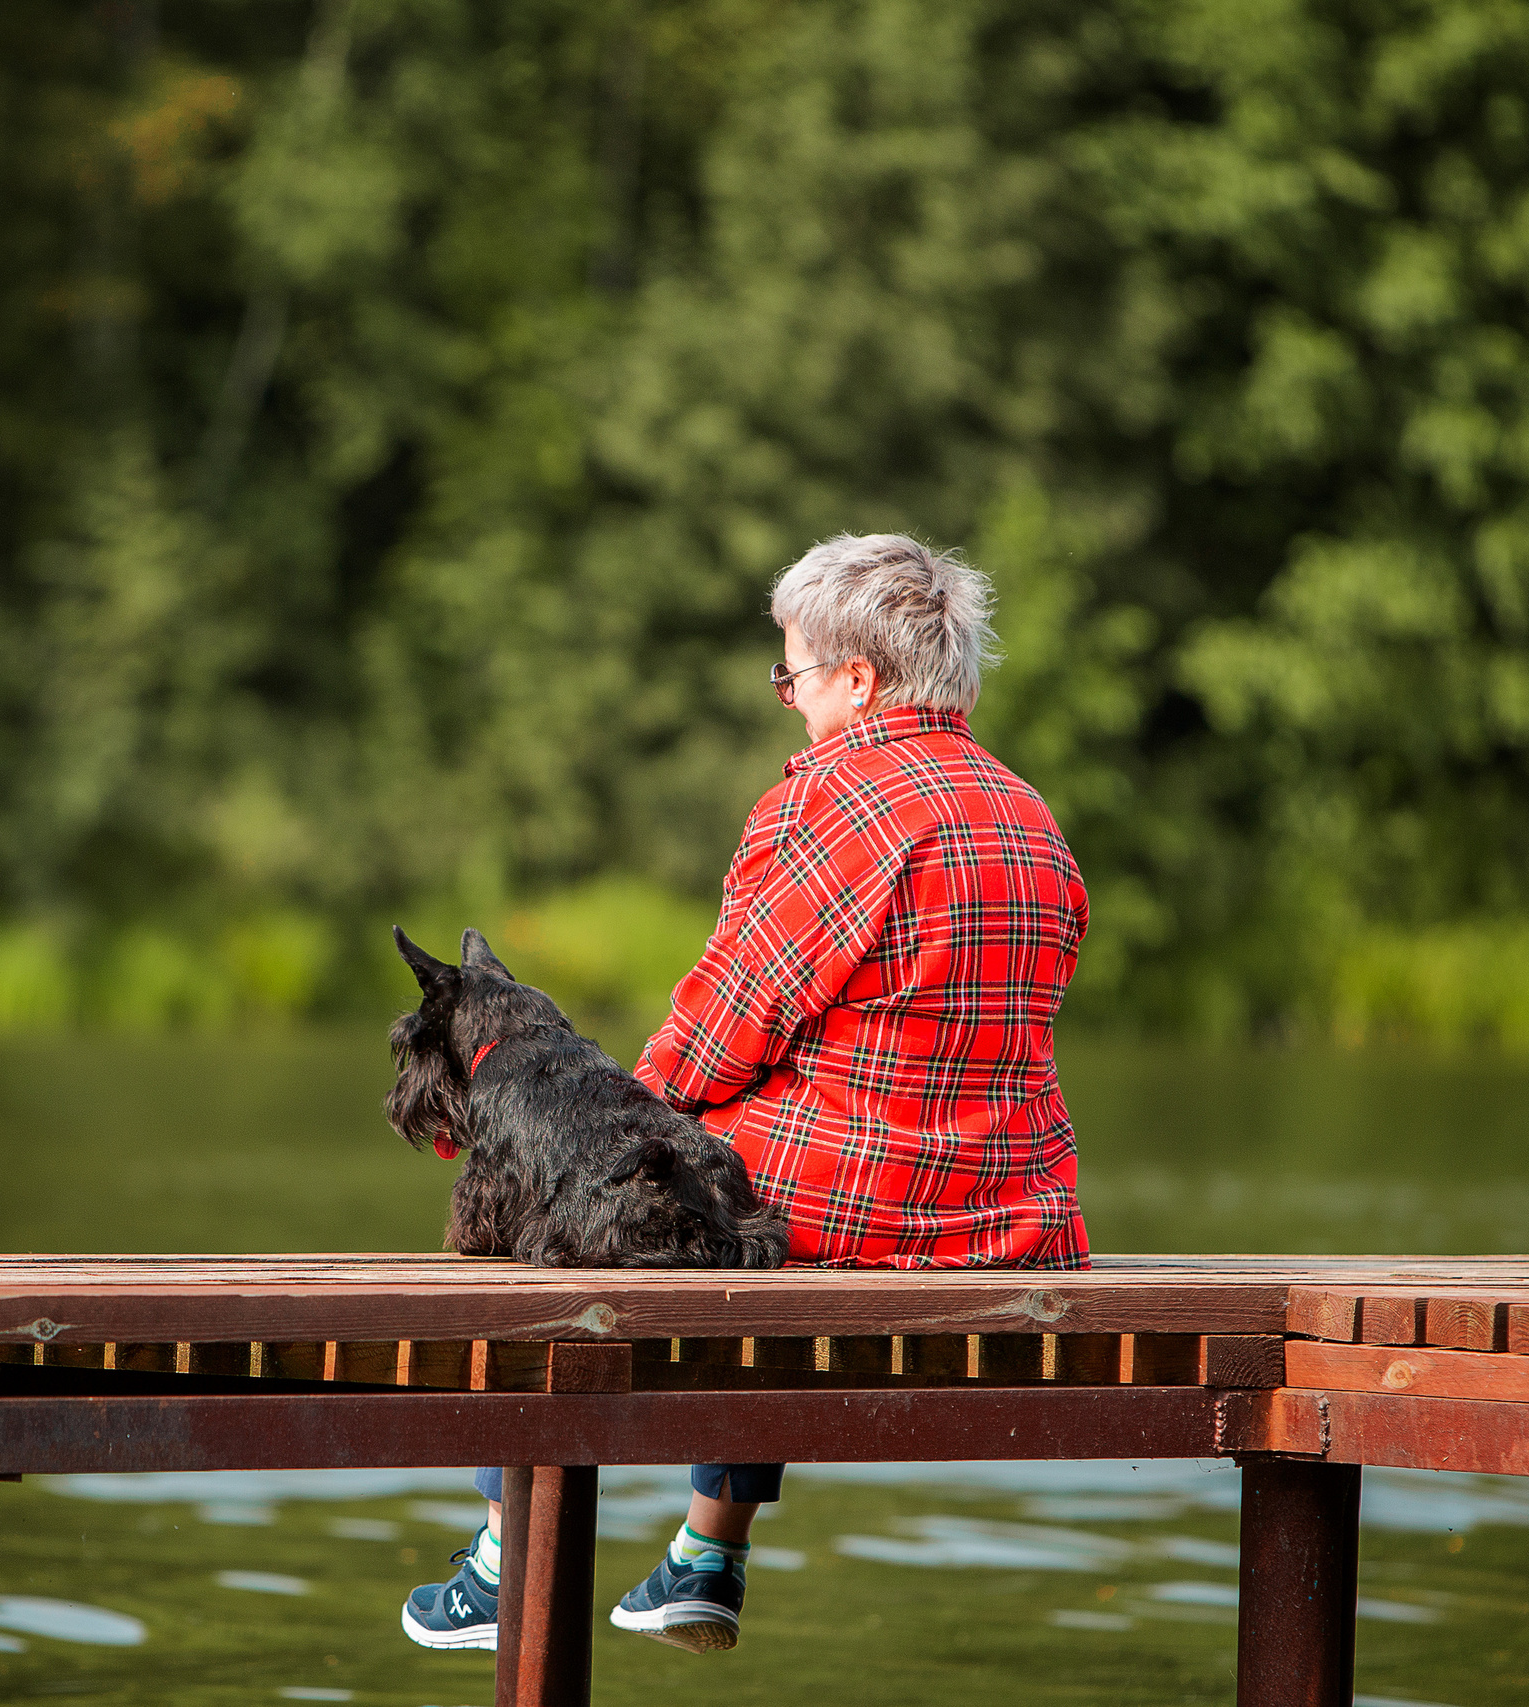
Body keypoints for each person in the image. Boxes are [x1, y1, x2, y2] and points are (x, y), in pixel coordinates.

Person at [399, 532, 1091, 1655]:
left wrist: (609, 1121)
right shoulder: (1029, 815)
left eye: (793, 672)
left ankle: (498, 1559)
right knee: (737, 1172)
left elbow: (729, 1019)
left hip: (848, 1213)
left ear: (857, 679)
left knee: (619, 1188)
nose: (789, 698)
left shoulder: (836, 803)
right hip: (1012, 1217)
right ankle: (705, 1551)